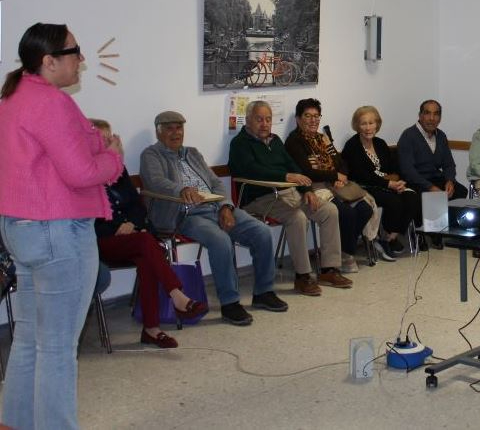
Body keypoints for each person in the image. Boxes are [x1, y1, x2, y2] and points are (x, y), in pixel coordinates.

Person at [0, 23, 123, 429]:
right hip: (58, 231)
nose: (82, 59)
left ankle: (16, 422)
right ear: (49, 61)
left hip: (21, 228)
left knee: (29, 339)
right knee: (56, 349)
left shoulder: (12, 97)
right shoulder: (51, 102)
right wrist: (114, 158)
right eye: (75, 51)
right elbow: (81, 172)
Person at [141, 110, 287, 326]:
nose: (176, 132)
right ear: (158, 132)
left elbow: (215, 182)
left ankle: (264, 292)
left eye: (179, 127)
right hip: (186, 213)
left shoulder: (192, 153)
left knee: (262, 232)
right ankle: (230, 304)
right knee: (220, 240)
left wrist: (226, 207)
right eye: (169, 128)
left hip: (216, 206)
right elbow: (155, 182)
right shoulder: (151, 155)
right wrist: (182, 190)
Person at [91, 119, 207, 348]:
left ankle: (151, 330)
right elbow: (85, 218)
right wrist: (117, 228)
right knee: (147, 242)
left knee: (146, 254)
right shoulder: (83, 171)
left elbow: (136, 204)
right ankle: (177, 296)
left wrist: (132, 224)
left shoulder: (117, 168)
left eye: (110, 138)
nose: (108, 143)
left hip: (131, 237)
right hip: (99, 240)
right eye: (101, 139)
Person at [229, 100, 354, 295]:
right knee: (297, 217)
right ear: (248, 120)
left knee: (329, 210)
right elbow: (251, 170)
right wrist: (285, 176)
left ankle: (329, 269)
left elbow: (293, 167)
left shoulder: (275, 140)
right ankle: (303, 277)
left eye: (268, 119)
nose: (264, 124)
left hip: (289, 192)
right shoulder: (239, 144)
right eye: (259, 119)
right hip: (260, 197)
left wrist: (308, 191)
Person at [284, 99, 380, 260]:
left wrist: (340, 177)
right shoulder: (293, 141)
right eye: (308, 116)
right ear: (298, 119)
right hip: (314, 188)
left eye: (316, 116)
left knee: (365, 208)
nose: (313, 120)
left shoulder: (323, 138)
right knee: (347, 213)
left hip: (335, 185)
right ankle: (345, 256)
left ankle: (342, 250)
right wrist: (334, 176)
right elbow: (307, 172)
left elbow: (341, 162)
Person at [342, 106, 419, 257]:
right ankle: (384, 238)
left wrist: (398, 181)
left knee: (412, 197)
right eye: (363, 123)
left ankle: (392, 235)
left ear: (377, 124)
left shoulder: (380, 143)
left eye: (371, 123)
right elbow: (361, 175)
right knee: (394, 200)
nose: (368, 127)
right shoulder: (353, 146)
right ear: (357, 126)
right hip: (364, 187)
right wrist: (388, 183)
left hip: (386, 183)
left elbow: (394, 168)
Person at [397, 99, 467, 199]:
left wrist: (450, 181)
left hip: (436, 179)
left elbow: (449, 164)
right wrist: (430, 187)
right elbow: (408, 171)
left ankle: (448, 215)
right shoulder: (408, 136)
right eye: (427, 113)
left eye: (436, 114)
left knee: (460, 191)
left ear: (440, 118)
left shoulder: (441, 136)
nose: (432, 118)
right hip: (416, 183)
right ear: (420, 115)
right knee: (428, 199)